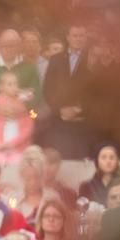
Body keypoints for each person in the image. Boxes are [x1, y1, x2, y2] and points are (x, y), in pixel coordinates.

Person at [42, 24, 92, 158]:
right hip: (59, 122)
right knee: (61, 159)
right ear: (68, 37)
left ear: (86, 38)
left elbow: (98, 91)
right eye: (75, 35)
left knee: (82, 162)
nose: (78, 39)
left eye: (81, 35)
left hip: (84, 122)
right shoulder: (55, 59)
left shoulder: (93, 60)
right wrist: (60, 110)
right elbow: (47, 89)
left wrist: (78, 109)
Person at [0, 29, 42, 111]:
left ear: (19, 46)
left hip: (23, 116)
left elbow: (35, 93)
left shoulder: (29, 68)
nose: (9, 49)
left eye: (13, 45)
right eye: (5, 45)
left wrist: (22, 106)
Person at [0, 71, 34, 166]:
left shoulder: (22, 105)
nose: (14, 87)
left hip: (18, 150)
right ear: (1, 87)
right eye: (9, 84)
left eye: (15, 84)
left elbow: (28, 127)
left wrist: (13, 143)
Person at [15, 146, 60, 223]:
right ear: (22, 177)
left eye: (36, 177)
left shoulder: (53, 197)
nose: (33, 182)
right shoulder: (13, 199)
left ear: (42, 175)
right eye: (28, 178)